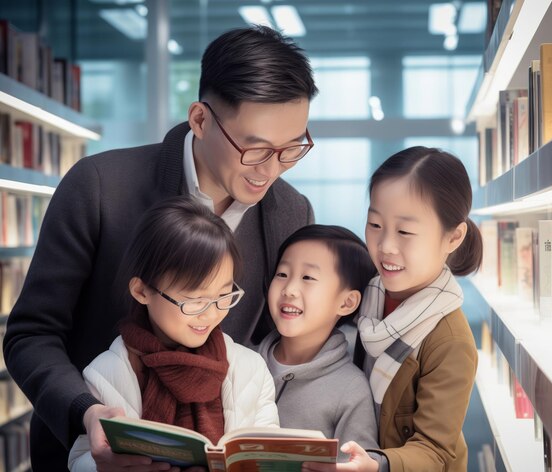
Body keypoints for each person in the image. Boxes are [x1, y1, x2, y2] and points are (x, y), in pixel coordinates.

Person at [3, 26, 317, 471]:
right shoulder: (98, 187)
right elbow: (30, 334)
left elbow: (272, 347)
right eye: (256, 148)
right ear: (200, 119)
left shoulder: (292, 212)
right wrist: (86, 413)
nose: (272, 170)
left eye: (292, 148)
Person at [67, 195, 279, 471]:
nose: (211, 313)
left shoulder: (250, 369)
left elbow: (270, 454)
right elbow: (80, 459)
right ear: (142, 291)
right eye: (194, 299)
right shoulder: (106, 374)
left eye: (224, 295)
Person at [303, 146, 481, 472]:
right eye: (374, 224)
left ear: (453, 236)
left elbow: (435, 451)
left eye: (404, 231)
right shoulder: (363, 288)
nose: (385, 246)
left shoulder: (450, 342)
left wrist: (377, 464)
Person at [257, 225, 379, 462]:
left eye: (308, 278)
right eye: (282, 274)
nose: (289, 289)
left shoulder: (351, 390)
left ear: (347, 302)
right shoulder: (242, 362)